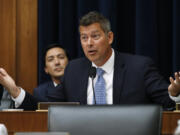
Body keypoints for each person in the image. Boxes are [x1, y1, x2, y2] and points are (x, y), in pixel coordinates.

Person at [0, 11, 179, 110]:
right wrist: (14, 90)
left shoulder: (139, 67)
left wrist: (174, 93)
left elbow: (168, 103)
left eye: (95, 36)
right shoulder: (74, 70)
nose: (89, 43)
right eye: (84, 38)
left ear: (109, 37)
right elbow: (44, 108)